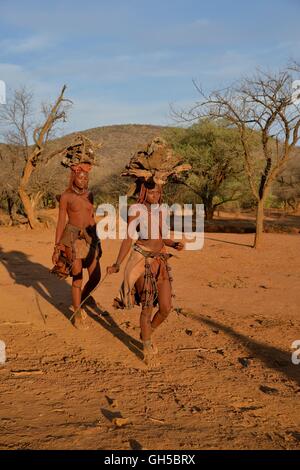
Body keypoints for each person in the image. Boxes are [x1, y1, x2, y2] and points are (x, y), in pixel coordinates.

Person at [107, 178, 183, 364]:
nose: (155, 196)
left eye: (158, 192)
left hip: (161, 260)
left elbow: (163, 237)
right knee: (147, 306)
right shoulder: (135, 210)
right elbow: (128, 238)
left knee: (166, 307)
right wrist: (117, 263)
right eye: (151, 193)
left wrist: (173, 244)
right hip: (142, 259)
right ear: (143, 193)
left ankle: (146, 333)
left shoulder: (163, 209)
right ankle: (147, 347)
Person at [51, 135, 102, 329]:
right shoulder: (66, 197)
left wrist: (98, 242)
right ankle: (77, 313)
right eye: (80, 176)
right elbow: (61, 222)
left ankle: (83, 299)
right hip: (72, 237)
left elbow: (91, 218)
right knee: (77, 276)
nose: (83, 179)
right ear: (74, 176)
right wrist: (57, 247)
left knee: (95, 275)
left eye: (86, 176)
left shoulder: (90, 194)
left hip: (89, 237)